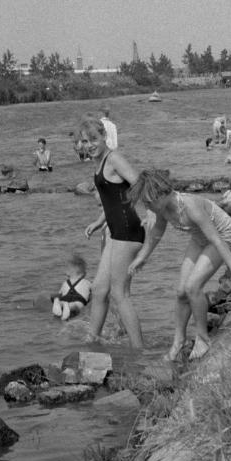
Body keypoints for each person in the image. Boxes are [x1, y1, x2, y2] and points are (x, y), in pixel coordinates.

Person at [126, 169, 231, 362]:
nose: (146, 207)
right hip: (199, 238)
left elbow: (217, 241)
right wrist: (142, 257)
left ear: (161, 194)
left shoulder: (189, 206)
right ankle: (178, 342)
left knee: (193, 287)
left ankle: (202, 339)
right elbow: (156, 233)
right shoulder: (161, 209)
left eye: (147, 202)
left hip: (221, 235)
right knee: (181, 292)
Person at [82, 119, 144, 348]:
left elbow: (139, 183)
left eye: (93, 140)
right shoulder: (98, 162)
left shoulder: (114, 158)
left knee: (120, 295)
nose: (89, 145)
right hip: (115, 230)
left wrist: (153, 214)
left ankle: (139, 351)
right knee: (99, 290)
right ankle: (92, 341)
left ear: (104, 137)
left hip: (128, 230)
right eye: (85, 142)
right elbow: (112, 200)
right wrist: (100, 221)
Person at [51, 254, 92, 321]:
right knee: (76, 305)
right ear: (83, 273)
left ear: (68, 273)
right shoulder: (86, 282)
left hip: (65, 297)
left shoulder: (65, 283)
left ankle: (58, 302)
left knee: (61, 301)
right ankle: (68, 306)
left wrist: (56, 298)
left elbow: (59, 294)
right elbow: (95, 290)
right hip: (78, 298)